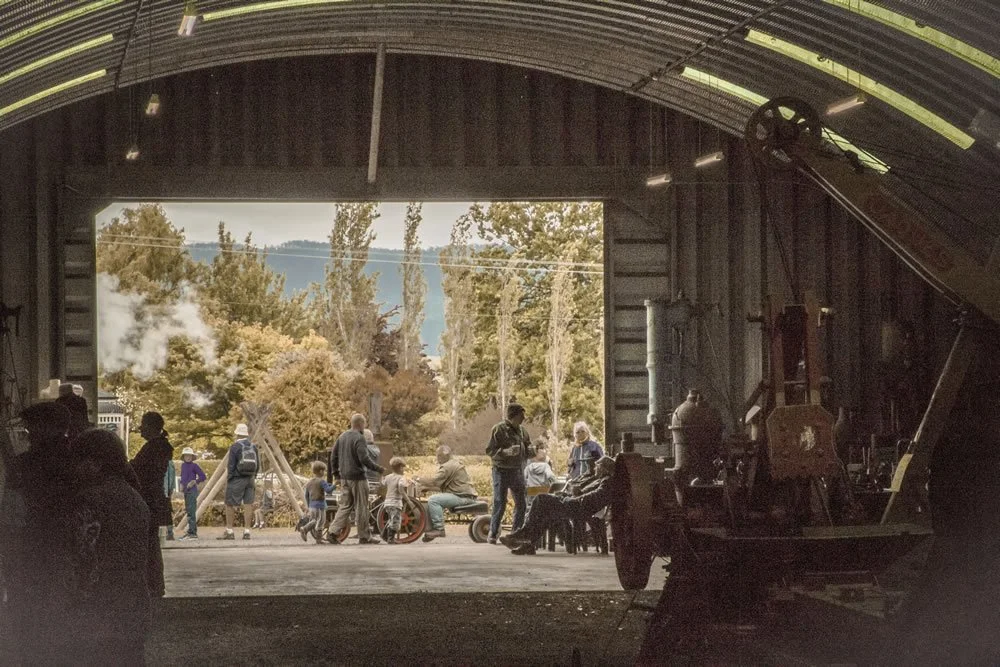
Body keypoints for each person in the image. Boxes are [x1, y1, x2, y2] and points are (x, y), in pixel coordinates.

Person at [68, 428, 151, 664]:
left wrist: (74, 602)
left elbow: (85, 557)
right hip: (135, 601)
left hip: (101, 606)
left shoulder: (91, 499)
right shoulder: (135, 498)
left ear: (94, 463)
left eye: (79, 461)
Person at [500, 456, 616, 555]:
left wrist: (567, 498)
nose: (595, 468)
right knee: (544, 513)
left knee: (540, 498)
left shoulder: (605, 482)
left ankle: (521, 536)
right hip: (575, 504)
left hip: (576, 507)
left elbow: (589, 499)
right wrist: (566, 495)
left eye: (597, 465)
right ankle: (528, 543)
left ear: (603, 468)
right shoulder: (600, 480)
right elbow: (585, 495)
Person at [130, 411, 173, 598]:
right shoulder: (162, 447)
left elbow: (137, 469)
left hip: (148, 498)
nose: (140, 429)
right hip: (155, 498)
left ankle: (153, 583)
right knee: (152, 542)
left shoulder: (152, 448)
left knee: (148, 543)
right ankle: (155, 583)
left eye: (143, 425)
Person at [329, 414, 384, 545]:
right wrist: (378, 468)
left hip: (344, 478)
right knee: (361, 507)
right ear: (361, 424)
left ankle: (332, 532)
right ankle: (364, 536)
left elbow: (333, 456)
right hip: (358, 478)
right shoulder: (359, 438)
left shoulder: (342, 436)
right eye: (364, 424)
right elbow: (364, 459)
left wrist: (336, 474)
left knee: (345, 506)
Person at [485, 403, 533, 544]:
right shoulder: (499, 429)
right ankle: (493, 533)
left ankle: (515, 533)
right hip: (501, 471)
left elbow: (528, 445)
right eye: (521, 414)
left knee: (521, 503)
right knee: (500, 502)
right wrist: (505, 452)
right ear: (514, 415)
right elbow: (490, 450)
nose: (524, 417)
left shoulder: (523, 431)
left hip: (517, 471)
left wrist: (530, 451)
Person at [419, 446, 477, 542]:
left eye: (439, 455)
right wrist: (426, 488)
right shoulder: (453, 464)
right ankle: (435, 528)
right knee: (434, 498)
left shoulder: (448, 466)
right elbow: (440, 486)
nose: (437, 458)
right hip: (462, 495)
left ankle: (439, 529)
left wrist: (418, 479)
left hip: (462, 497)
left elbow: (434, 481)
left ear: (446, 455)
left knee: (434, 500)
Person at [219, 423, 259, 541]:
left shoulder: (235, 446)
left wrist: (230, 478)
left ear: (237, 434)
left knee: (229, 503)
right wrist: (253, 476)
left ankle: (230, 531)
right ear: (246, 434)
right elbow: (258, 465)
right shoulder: (253, 446)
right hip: (250, 479)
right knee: (248, 504)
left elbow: (231, 465)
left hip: (237, 478)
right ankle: (247, 531)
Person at [299, 461, 333, 544]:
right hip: (320, 505)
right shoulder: (322, 481)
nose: (324, 473)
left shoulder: (309, 482)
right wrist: (335, 485)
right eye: (324, 471)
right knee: (321, 521)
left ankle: (317, 538)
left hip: (311, 506)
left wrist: (307, 506)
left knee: (315, 520)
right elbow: (328, 491)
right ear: (321, 471)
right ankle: (306, 530)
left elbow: (306, 495)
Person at [382, 457, 411, 544]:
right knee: (396, 521)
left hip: (387, 503)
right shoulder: (401, 478)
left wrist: (381, 476)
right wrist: (408, 499)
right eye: (403, 468)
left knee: (391, 519)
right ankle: (391, 539)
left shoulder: (388, 477)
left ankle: (384, 535)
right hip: (395, 503)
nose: (403, 470)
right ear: (400, 468)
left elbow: (383, 483)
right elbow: (401, 489)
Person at [178, 447, 206, 540]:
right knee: (189, 512)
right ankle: (190, 532)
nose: (188, 457)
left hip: (192, 491)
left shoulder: (195, 466)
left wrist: (195, 481)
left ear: (192, 456)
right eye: (186, 455)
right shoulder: (183, 465)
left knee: (191, 513)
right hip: (186, 491)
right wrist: (181, 484)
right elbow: (183, 477)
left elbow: (203, 476)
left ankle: (193, 534)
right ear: (184, 456)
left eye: (189, 455)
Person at [524, 445, 557, 513]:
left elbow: (524, 478)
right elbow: (550, 476)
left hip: (531, 491)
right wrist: (555, 482)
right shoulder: (546, 466)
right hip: (543, 491)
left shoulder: (529, 467)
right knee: (544, 509)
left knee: (531, 508)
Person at [164, 457, 177, 541]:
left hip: (162, 490)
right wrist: (171, 488)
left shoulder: (168, 462)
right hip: (166, 490)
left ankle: (169, 532)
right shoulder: (170, 462)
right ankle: (169, 532)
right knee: (167, 511)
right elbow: (172, 476)